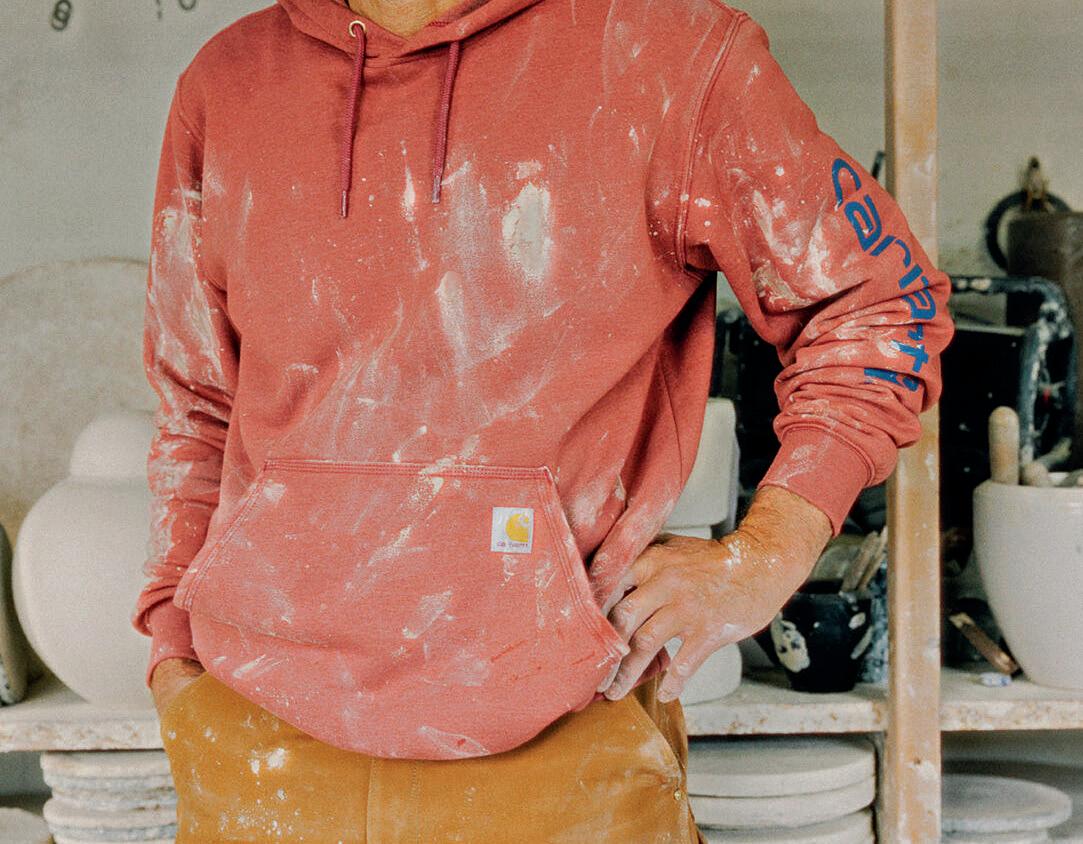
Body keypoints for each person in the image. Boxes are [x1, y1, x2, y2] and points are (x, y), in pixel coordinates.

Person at [131, 0, 954, 839]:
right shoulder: (228, 83)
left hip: (561, 742)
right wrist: (171, 643)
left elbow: (883, 307)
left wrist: (767, 554)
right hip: (253, 736)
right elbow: (198, 398)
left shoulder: (671, 54)